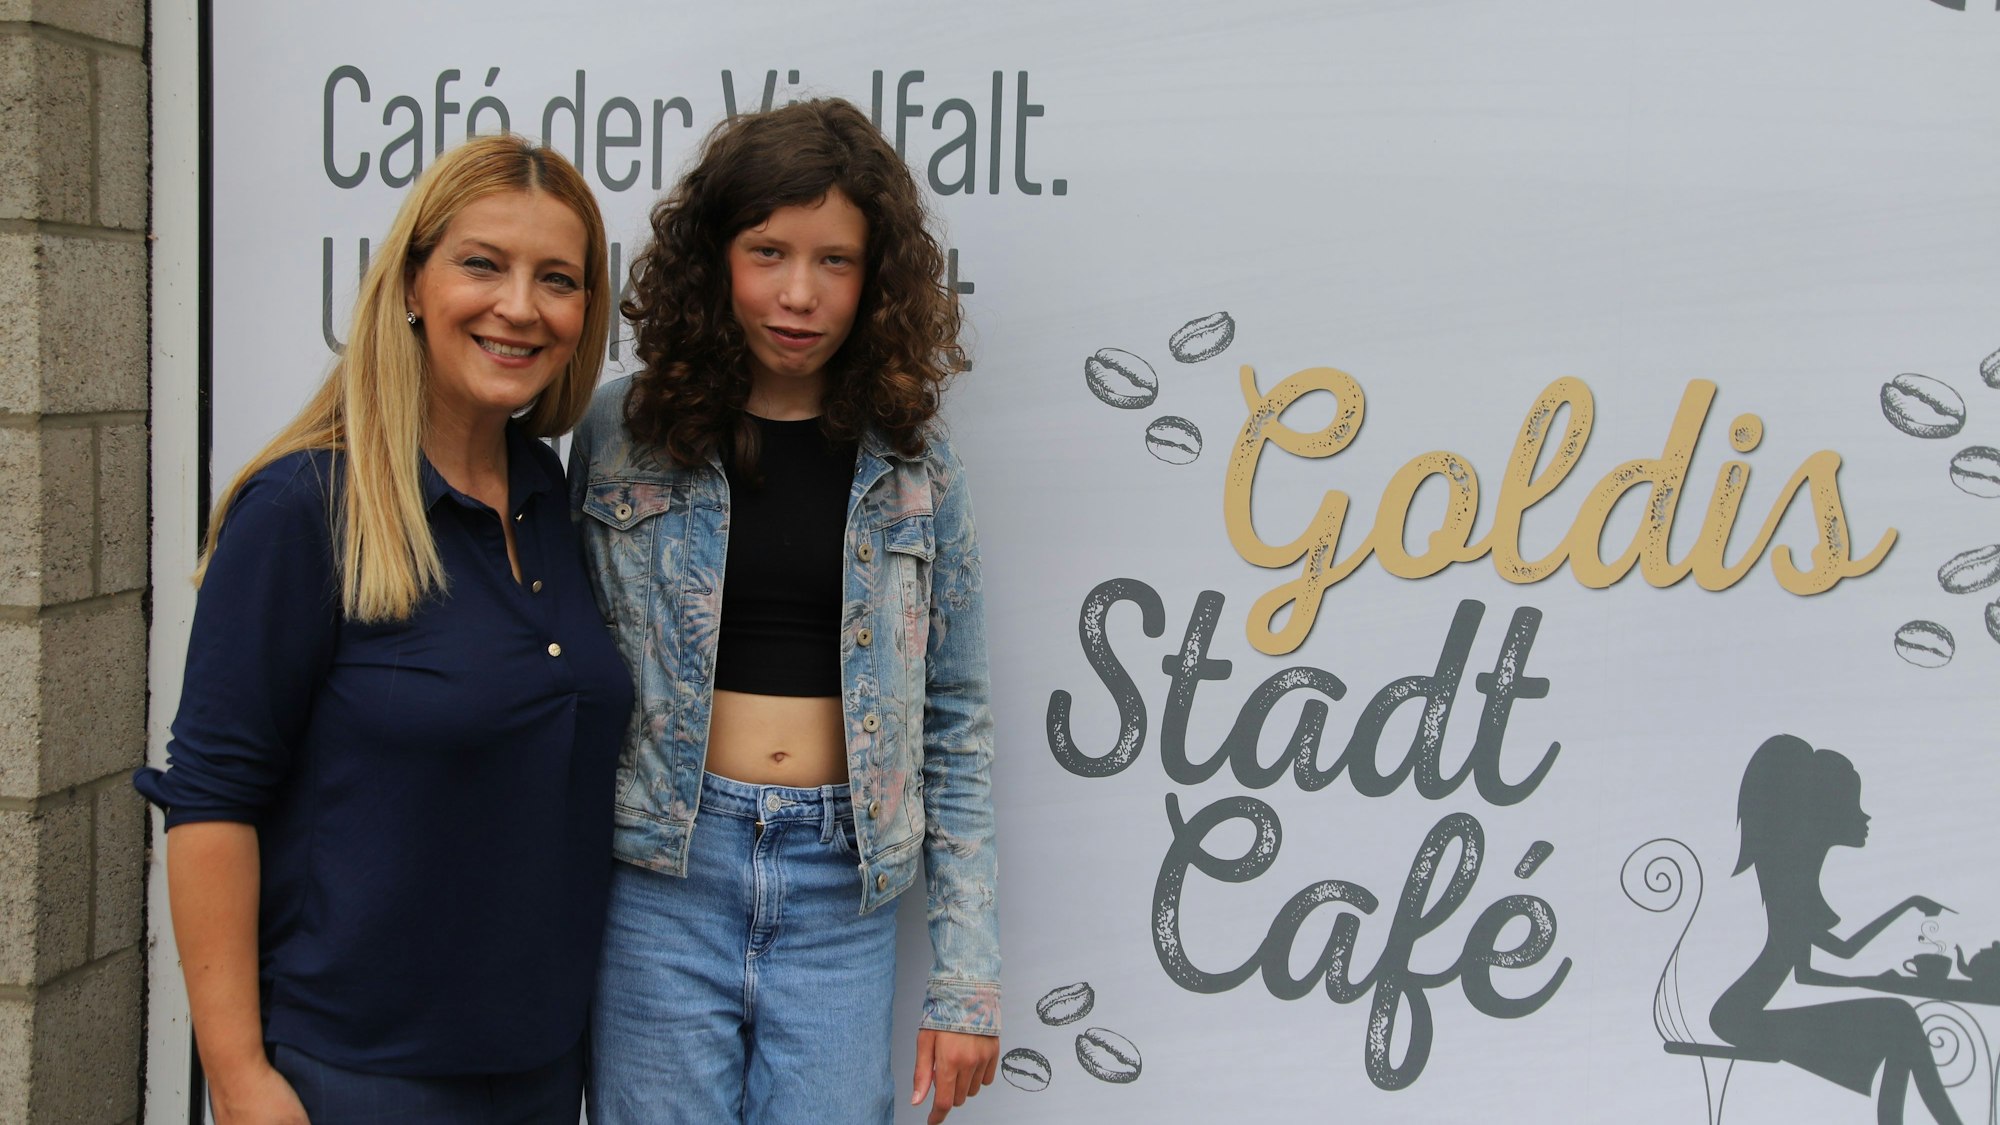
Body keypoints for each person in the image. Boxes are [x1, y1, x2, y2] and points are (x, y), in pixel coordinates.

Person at [134, 134, 631, 1124]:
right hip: (356, 1079)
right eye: (481, 264)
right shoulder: (302, 508)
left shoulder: (548, 490)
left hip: (541, 1070)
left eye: (558, 279)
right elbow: (212, 805)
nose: (519, 306)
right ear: (411, 283)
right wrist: (237, 1080)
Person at [572, 97, 999, 1125]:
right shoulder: (618, 434)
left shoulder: (913, 463)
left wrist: (966, 979)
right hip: (660, 877)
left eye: (836, 262)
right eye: (767, 252)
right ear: (713, 258)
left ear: (877, 277)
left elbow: (956, 717)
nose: (798, 294)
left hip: (839, 889)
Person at [1711, 734, 1961, 1125]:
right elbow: (1806, 976)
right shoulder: (1788, 884)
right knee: (1897, 1017)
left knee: (1897, 1021)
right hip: (1739, 1017)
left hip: (1745, 1014)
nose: (1865, 817)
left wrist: (1907, 906)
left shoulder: (1801, 881)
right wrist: (1874, 981)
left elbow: (1843, 951)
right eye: (1853, 805)